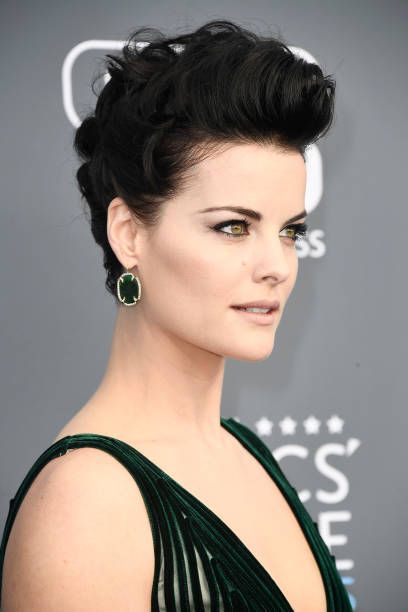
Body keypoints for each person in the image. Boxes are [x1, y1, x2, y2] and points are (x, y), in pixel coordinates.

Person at [0, 19, 352, 611]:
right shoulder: (85, 504)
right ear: (129, 233)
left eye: (290, 231)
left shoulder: (243, 449)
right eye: (233, 226)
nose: (277, 265)